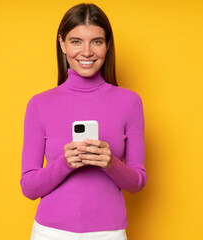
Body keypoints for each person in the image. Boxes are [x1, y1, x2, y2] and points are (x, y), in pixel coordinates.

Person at [20, 3, 147, 240]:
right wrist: (65, 163)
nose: (86, 52)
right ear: (62, 44)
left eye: (96, 41)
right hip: (51, 233)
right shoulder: (39, 104)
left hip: (109, 233)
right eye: (76, 41)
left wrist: (110, 163)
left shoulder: (129, 102)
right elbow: (29, 187)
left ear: (107, 45)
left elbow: (137, 182)